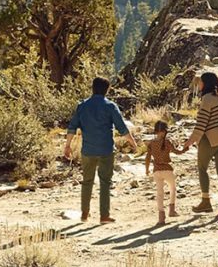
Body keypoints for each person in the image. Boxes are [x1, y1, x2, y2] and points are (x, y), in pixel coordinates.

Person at [65, 77, 138, 223]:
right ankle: (104, 215)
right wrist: (134, 144)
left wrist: (67, 146)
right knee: (105, 182)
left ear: (92, 88)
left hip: (88, 149)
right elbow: (122, 128)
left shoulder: (82, 106)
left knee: (87, 181)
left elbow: (72, 127)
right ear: (107, 90)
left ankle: (84, 214)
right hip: (106, 149)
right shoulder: (110, 106)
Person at [183, 72, 218, 218]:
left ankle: (206, 201)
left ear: (205, 84)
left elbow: (201, 124)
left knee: (202, 168)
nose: (198, 85)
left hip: (211, 139)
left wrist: (189, 142)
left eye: (200, 82)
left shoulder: (206, 99)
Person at [145, 121, 185, 225]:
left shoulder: (151, 143)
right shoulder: (167, 142)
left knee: (159, 193)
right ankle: (171, 209)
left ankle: (161, 217)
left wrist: (147, 169)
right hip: (167, 169)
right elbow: (177, 152)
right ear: (164, 131)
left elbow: (148, 158)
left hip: (156, 171)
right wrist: (185, 149)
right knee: (172, 188)